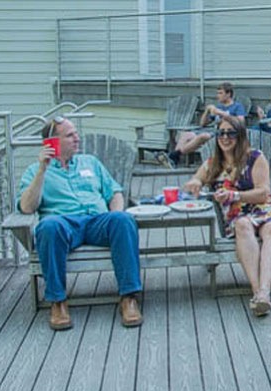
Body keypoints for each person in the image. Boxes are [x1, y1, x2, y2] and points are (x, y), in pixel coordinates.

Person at [19, 117, 143, 331]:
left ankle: (129, 298)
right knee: (48, 226)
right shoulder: (34, 171)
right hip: (63, 223)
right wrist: (42, 170)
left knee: (123, 220)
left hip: (96, 220)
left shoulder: (90, 162)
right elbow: (27, 207)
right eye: (70, 135)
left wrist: (116, 215)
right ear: (52, 142)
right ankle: (58, 302)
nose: (77, 138)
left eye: (76, 133)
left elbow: (114, 192)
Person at [183, 116, 271, 317]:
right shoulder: (212, 164)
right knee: (242, 225)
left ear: (240, 136)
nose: (225, 137)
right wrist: (195, 183)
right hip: (237, 215)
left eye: (230, 133)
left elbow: (263, 193)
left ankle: (265, 292)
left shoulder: (255, 158)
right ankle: (257, 292)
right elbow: (196, 179)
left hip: (263, 208)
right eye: (221, 133)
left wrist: (234, 195)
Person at [157, 82, 246, 168]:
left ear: (228, 94)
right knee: (186, 134)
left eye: (220, 93)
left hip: (225, 134)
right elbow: (202, 124)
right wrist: (207, 111)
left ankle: (174, 156)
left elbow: (241, 122)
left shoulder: (237, 106)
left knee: (203, 136)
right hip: (212, 130)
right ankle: (174, 159)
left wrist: (220, 113)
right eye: (217, 93)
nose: (218, 95)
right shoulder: (219, 106)